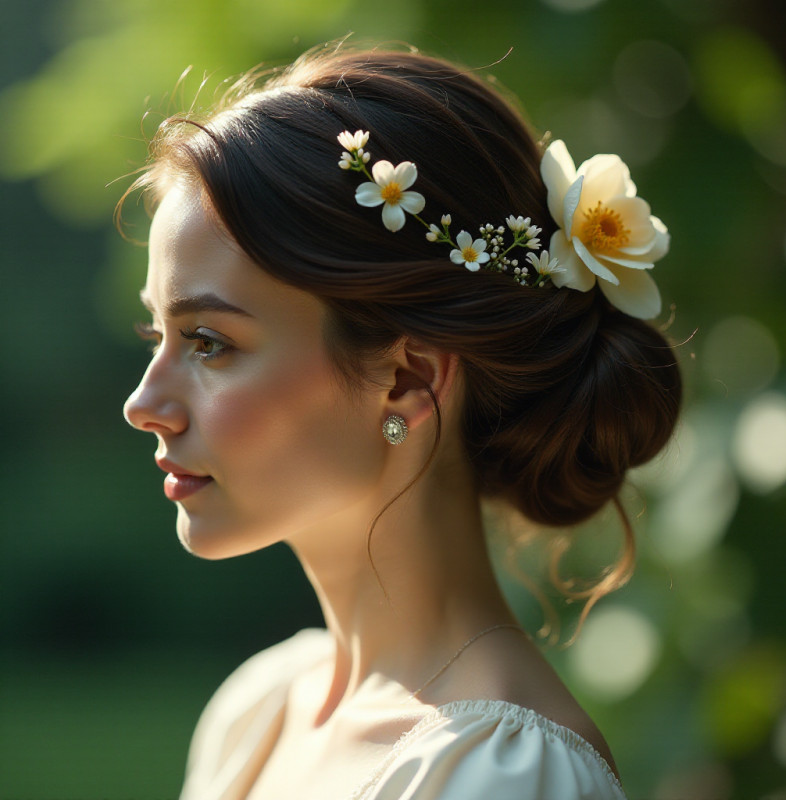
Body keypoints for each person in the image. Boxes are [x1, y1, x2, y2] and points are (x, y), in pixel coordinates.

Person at [121, 44, 681, 800]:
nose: (143, 404)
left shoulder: (505, 775)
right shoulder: (258, 708)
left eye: (210, 343)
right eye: (159, 338)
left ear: (408, 379)